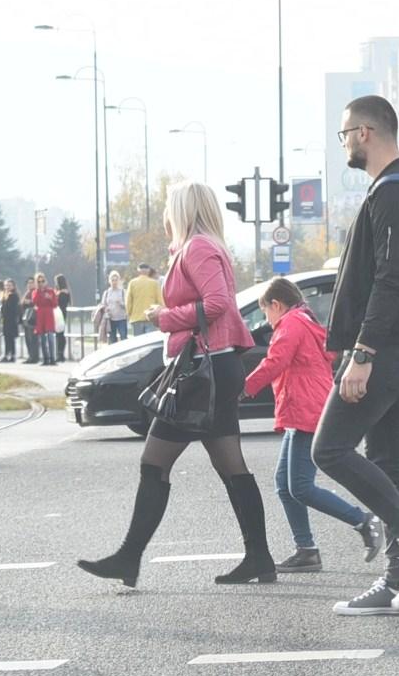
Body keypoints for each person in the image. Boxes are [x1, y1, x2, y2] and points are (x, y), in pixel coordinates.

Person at [78, 181, 270, 588]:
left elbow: (217, 304)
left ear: (181, 210)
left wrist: (164, 316)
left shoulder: (198, 247)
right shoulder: (203, 245)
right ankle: (259, 558)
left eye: (168, 206)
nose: (165, 214)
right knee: (229, 464)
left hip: (202, 372)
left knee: (154, 461)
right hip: (214, 366)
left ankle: (128, 558)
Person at [314, 95, 399, 616]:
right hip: (398, 344)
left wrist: (363, 352)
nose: (344, 142)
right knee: (389, 459)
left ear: (366, 133)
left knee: (328, 451)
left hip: (389, 346)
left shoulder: (394, 192)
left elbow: (393, 281)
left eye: (345, 133)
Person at [242, 277, 384, 573]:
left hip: (306, 409)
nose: (267, 321)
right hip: (303, 408)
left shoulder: (291, 324)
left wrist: (244, 387)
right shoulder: (305, 320)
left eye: (266, 312)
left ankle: (364, 521)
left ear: (276, 305)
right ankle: (306, 550)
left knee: (301, 487)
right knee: (285, 485)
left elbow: (275, 361)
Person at [127, 263, 164, 337]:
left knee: (138, 343)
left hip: (136, 317)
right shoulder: (154, 283)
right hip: (150, 317)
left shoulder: (132, 283)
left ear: (138, 271)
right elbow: (160, 301)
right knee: (149, 342)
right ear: (148, 271)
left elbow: (128, 301)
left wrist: (129, 314)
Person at [32, 273, 59, 366]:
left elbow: (55, 304)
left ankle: (53, 358)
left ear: (46, 281)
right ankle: (45, 358)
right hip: (40, 315)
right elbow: (35, 302)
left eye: (42, 281)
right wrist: (40, 291)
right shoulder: (35, 292)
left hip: (49, 315)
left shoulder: (51, 291)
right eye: (39, 281)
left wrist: (50, 298)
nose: (41, 283)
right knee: (42, 339)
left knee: (51, 338)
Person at [101, 271, 128, 343]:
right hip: (110, 319)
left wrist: (121, 303)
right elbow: (103, 304)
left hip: (121, 319)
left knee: (123, 337)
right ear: (110, 281)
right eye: (112, 280)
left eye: (116, 280)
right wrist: (106, 309)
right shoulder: (107, 292)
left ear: (119, 281)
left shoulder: (122, 291)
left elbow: (127, 305)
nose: (114, 282)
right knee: (112, 339)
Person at [0, 279, 20, 362]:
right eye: (6, 285)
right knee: (7, 338)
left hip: (11, 320)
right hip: (6, 320)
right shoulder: (5, 295)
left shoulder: (13, 296)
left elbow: (12, 309)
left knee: (10, 338)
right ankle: (8, 354)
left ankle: (11, 355)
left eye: (10, 285)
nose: (8, 287)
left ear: (13, 286)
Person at [20, 277, 39, 364]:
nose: (30, 284)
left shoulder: (36, 292)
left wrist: (30, 302)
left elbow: (37, 303)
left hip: (33, 319)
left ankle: (34, 357)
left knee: (33, 339)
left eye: (32, 282)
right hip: (26, 319)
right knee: (28, 339)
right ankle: (30, 356)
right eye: (28, 283)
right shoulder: (27, 293)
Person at [55, 274, 71, 362]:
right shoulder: (62, 292)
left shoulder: (63, 293)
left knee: (60, 334)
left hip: (60, 314)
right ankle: (59, 353)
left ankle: (60, 354)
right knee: (59, 334)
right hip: (60, 314)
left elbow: (61, 304)